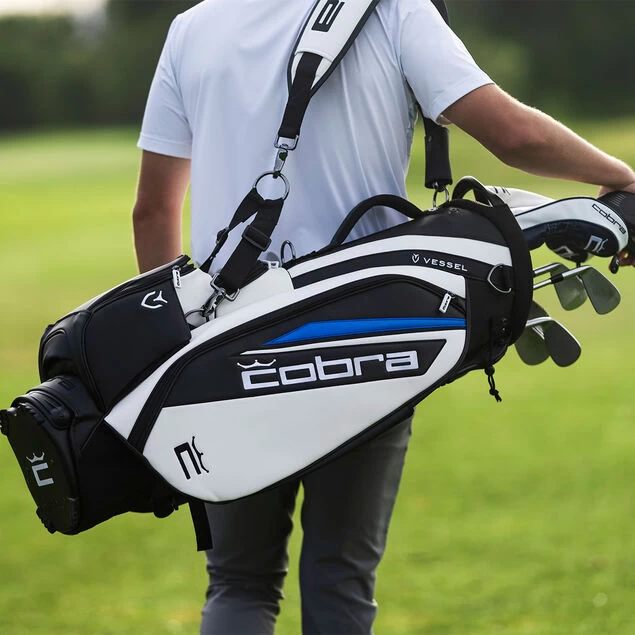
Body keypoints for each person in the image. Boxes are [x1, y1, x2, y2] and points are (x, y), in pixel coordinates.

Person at [133, 1, 635, 633]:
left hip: (223, 347)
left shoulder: (193, 27)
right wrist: (622, 176)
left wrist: (178, 352)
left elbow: (154, 210)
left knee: (238, 584)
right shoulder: (394, 8)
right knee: (340, 579)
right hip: (364, 336)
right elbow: (513, 135)